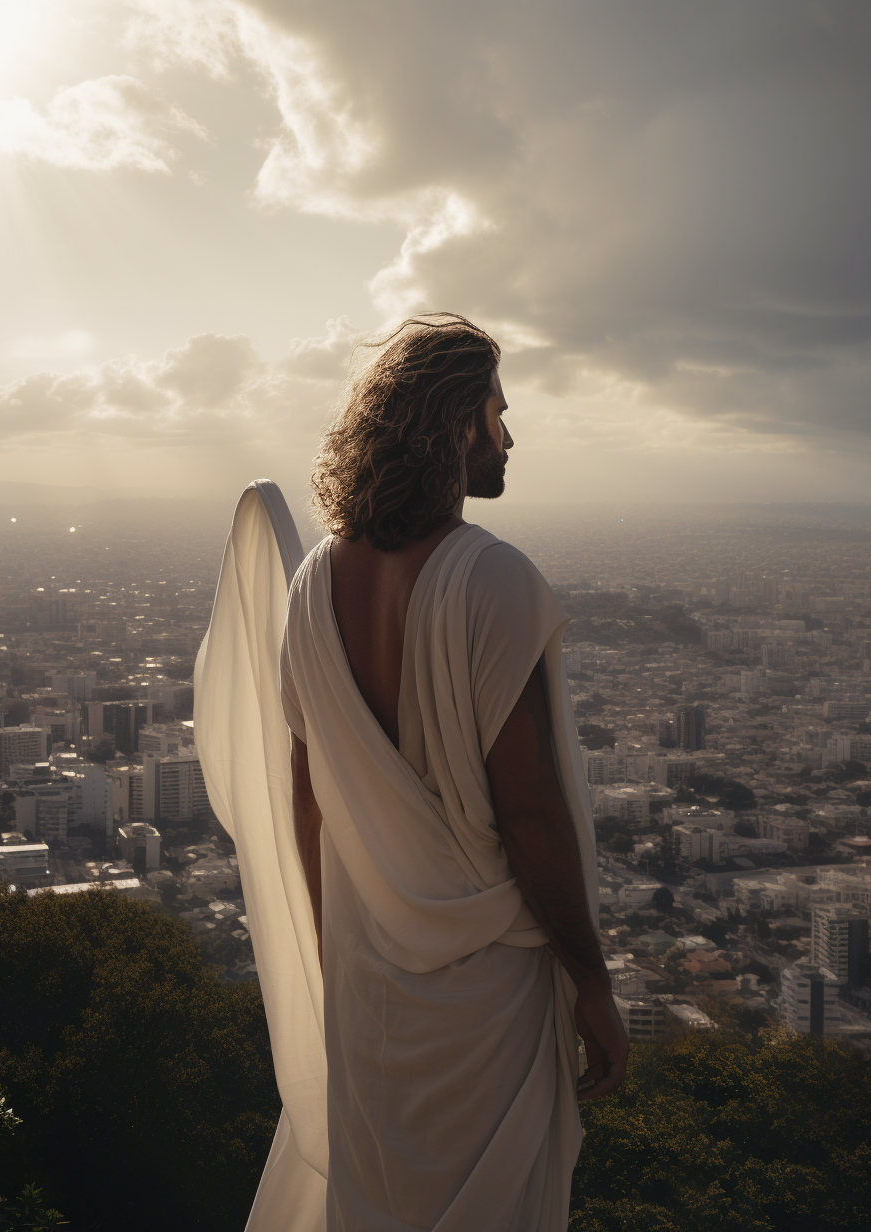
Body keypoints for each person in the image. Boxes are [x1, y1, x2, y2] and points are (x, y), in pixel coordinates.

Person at [277, 313, 628, 1231]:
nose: (510, 435)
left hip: (367, 986)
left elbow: (306, 804)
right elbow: (531, 811)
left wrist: (333, 951)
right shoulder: (491, 577)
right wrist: (591, 980)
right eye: (498, 412)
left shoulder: (311, 586)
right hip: (487, 995)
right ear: (458, 422)